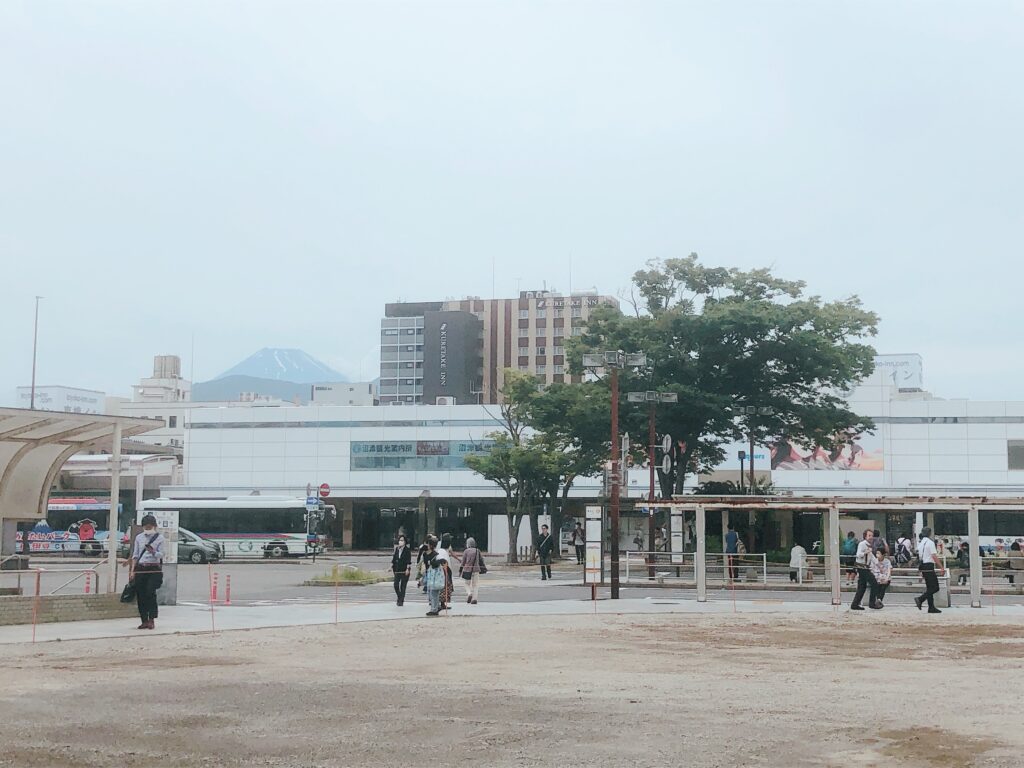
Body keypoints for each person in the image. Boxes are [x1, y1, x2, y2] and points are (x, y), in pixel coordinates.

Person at [129, 515, 164, 630]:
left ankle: (151, 619)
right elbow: (135, 555)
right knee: (141, 594)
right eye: (146, 527)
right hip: (141, 568)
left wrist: (153, 551)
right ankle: (143, 620)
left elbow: (161, 555)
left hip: (153, 568)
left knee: (150, 592)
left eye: (150, 527)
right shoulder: (139, 537)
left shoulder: (160, 538)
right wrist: (133, 571)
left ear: (154, 526)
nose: (148, 529)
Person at [850, 529, 881, 610]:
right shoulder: (862, 544)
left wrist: (878, 564)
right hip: (862, 567)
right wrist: (865, 552)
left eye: (872, 535)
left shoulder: (869, 545)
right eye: (869, 535)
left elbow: (871, 556)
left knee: (862, 587)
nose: (871, 537)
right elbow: (858, 555)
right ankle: (872, 603)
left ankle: (854, 604)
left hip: (864, 567)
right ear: (865, 536)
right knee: (874, 583)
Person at [914, 527, 943, 614]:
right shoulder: (930, 543)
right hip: (929, 565)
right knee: (935, 587)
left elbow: (917, 553)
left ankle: (931, 607)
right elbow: (934, 556)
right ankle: (920, 598)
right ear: (930, 533)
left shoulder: (921, 543)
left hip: (923, 565)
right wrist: (941, 566)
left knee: (929, 587)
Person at [459, 537, 486, 604]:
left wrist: (460, 570)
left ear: (467, 544)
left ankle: (469, 593)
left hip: (467, 570)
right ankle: (474, 599)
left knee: (466, 584)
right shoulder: (477, 550)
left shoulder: (466, 551)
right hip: (476, 569)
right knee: (475, 585)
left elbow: (463, 562)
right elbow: (481, 560)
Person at [422, 537, 445, 616]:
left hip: (434, 575)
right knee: (432, 592)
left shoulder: (435, 554)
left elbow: (436, 564)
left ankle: (434, 609)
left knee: (433, 592)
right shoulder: (426, 553)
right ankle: (436, 607)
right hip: (431, 574)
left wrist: (431, 563)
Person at [391, 534, 412, 606]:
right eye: (400, 540)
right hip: (397, 570)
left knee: (403, 586)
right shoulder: (397, 549)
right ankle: (399, 597)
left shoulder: (407, 550)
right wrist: (391, 566)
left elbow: (409, 561)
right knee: (396, 584)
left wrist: (407, 569)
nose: (401, 542)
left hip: (404, 570)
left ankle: (401, 600)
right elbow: (394, 559)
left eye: (402, 540)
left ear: (405, 542)